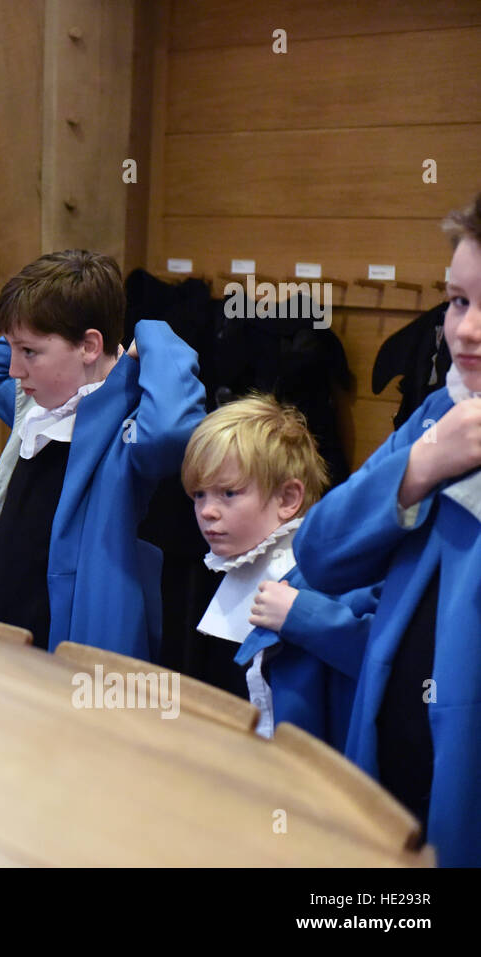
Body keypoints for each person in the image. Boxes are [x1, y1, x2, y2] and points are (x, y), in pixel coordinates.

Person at [293, 192, 481, 866]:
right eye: (458, 301)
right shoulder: (437, 415)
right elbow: (319, 551)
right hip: (392, 779)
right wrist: (423, 463)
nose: (464, 330)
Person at [0, 249, 204, 660]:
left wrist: (150, 333)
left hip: (75, 652)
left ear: (90, 345)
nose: (13, 371)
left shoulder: (128, 424)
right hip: (8, 637)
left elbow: (173, 429)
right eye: (14, 350)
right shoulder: (36, 406)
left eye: (30, 353)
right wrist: (27, 329)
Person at [182, 394, 376, 749]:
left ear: (287, 499)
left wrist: (304, 617)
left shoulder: (332, 575)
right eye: (199, 495)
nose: (207, 511)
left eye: (228, 493)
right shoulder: (228, 566)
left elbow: (381, 661)